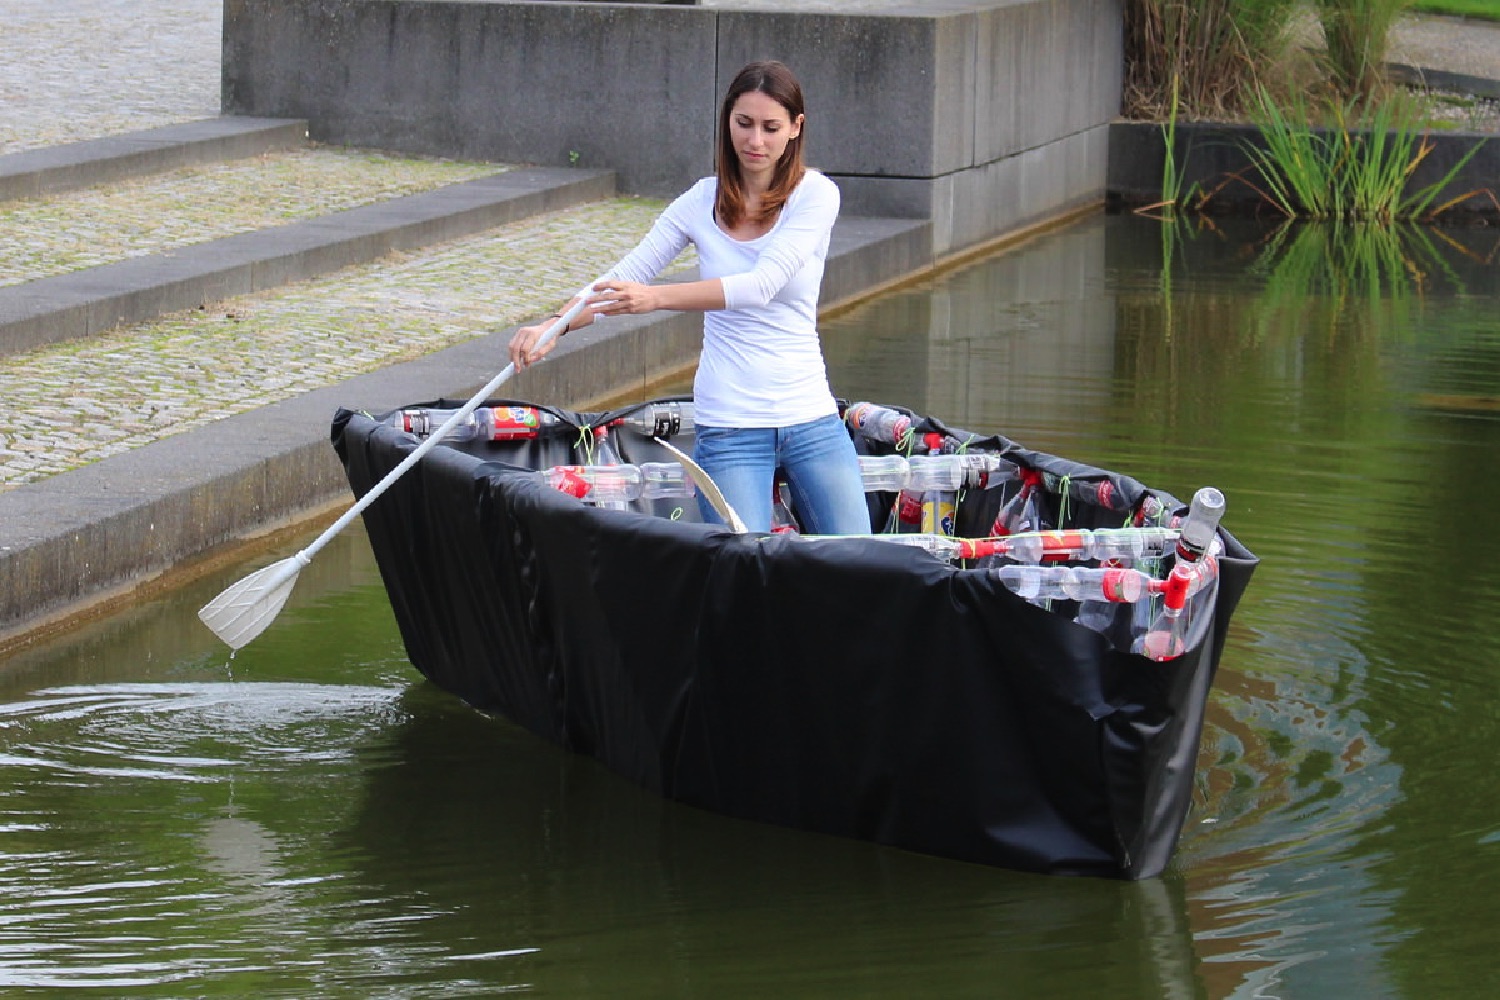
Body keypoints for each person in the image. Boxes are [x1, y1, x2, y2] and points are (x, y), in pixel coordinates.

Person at [508, 60, 870, 535]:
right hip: (729, 425)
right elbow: (626, 275)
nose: (755, 141)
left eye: (770, 127)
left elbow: (761, 286)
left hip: (812, 419)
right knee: (741, 570)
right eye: (743, 124)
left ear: (795, 129)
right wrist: (552, 326)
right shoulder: (700, 200)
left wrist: (655, 300)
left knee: (859, 561)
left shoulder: (817, 195)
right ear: (727, 122)